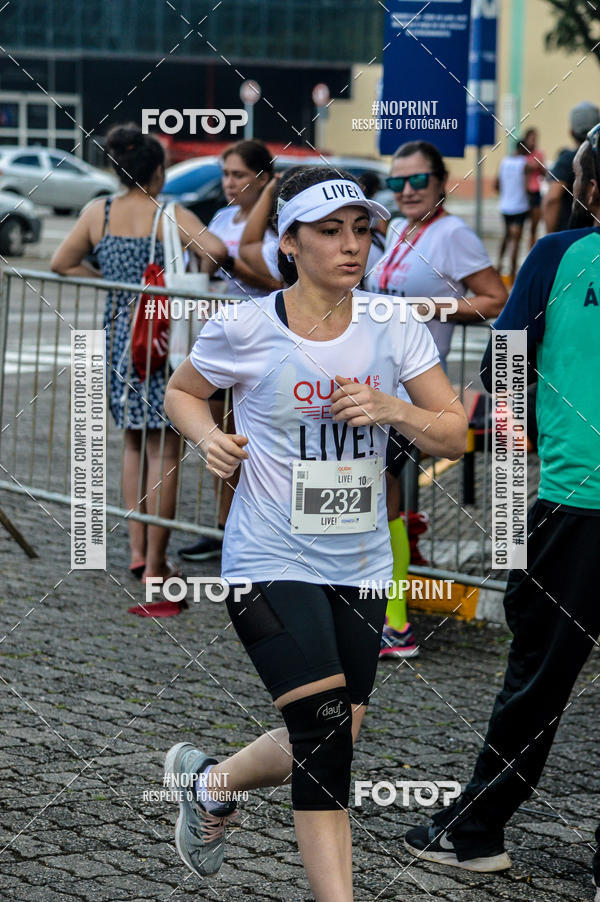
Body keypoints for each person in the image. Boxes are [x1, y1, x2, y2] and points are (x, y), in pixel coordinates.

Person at [163, 166, 468, 899]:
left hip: (360, 563)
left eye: (361, 230)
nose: (351, 245)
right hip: (268, 555)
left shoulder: (393, 324)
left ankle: (209, 784)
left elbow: (453, 434)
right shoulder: (245, 325)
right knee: (328, 740)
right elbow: (182, 392)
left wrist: (393, 409)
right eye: (330, 232)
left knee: (335, 731)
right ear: (290, 243)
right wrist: (208, 438)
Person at [404, 126, 600, 897]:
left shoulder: (558, 256)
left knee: (538, 678)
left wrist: (535, 455)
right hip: (574, 499)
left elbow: (504, 368)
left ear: (587, 189)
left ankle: (478, 829)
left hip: (576, 503)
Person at [51, 124, 226, 607]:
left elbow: (61, 263)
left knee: (132, 443)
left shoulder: (99, 212)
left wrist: (107, 280)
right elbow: (216, 250)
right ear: (158, 172)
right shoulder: (169, 213)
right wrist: (194, 275)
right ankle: (155, 563)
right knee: (164, 451)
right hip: (162, 339)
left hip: (118, 338)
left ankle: (134, 550)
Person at [366, 140, 506, 657]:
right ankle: (378, 608)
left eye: (417, 180)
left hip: (415, 390)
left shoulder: (453, 234)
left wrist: (432, 306)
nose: (406, 190)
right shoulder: (398, 229)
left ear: (441, 182)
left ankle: (396, 624)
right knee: (374, 497)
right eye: (396, 181)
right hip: (375, 384)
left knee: (386, 499)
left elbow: (496, 298)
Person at [179, 139, 282, 563]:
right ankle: (224, 526)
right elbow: (208, 264)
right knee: (222, 441)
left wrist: (228, 264)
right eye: (225, 174)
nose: (229, 182)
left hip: (259, 344)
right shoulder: (222, 217)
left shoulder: (276, 229)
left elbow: (278, 284)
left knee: (249, 444)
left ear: (263, 179)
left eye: (239, 175)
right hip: (220, 339)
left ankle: (247, 529)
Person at [543, 100, 600, 233]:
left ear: (571, 132)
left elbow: (552, 198)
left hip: (572, 236)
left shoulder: (568, 158)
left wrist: (551, 238)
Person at [496, 141, 532, 284]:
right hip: (520, 206)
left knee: (506, 237)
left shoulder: (503, 162)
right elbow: (531, 182)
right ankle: (512, 274)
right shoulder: (524, 163)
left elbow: (496, 185)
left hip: (505, 206)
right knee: (516, 241)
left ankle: (498, 266)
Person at [522, 127, 546, 247]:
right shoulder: (521, 154)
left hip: (535, 191)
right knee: (519, 227)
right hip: (524, 193)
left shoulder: (539, 154)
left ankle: (531, 249)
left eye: (535, 139)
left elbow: (543, 172)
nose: (534, 142)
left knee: (534, 226)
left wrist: (540, 166)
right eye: (532, 139)